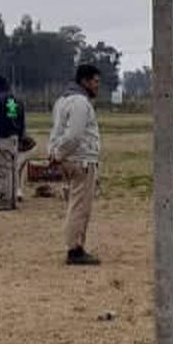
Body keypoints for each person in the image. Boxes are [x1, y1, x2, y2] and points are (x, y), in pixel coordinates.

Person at [48, 63, 102, 265]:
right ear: (85, 81)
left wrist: (54, 153)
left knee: (75, 204)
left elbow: (56, 132)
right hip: (80, 160)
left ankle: (75, 246)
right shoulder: (80, 103)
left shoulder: (62, 101)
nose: (97, 86)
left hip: (69, 158)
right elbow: (74, 135)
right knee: (80, 207)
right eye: (95, 82)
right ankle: (75, 249)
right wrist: (59, 154)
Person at [0, 75, 25, 210]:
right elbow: (22, 122)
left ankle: (5, 199)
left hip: (2, 138)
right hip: (15, 138)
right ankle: (12, 199)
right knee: (13, 170)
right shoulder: (17, 101)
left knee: (2, 169)